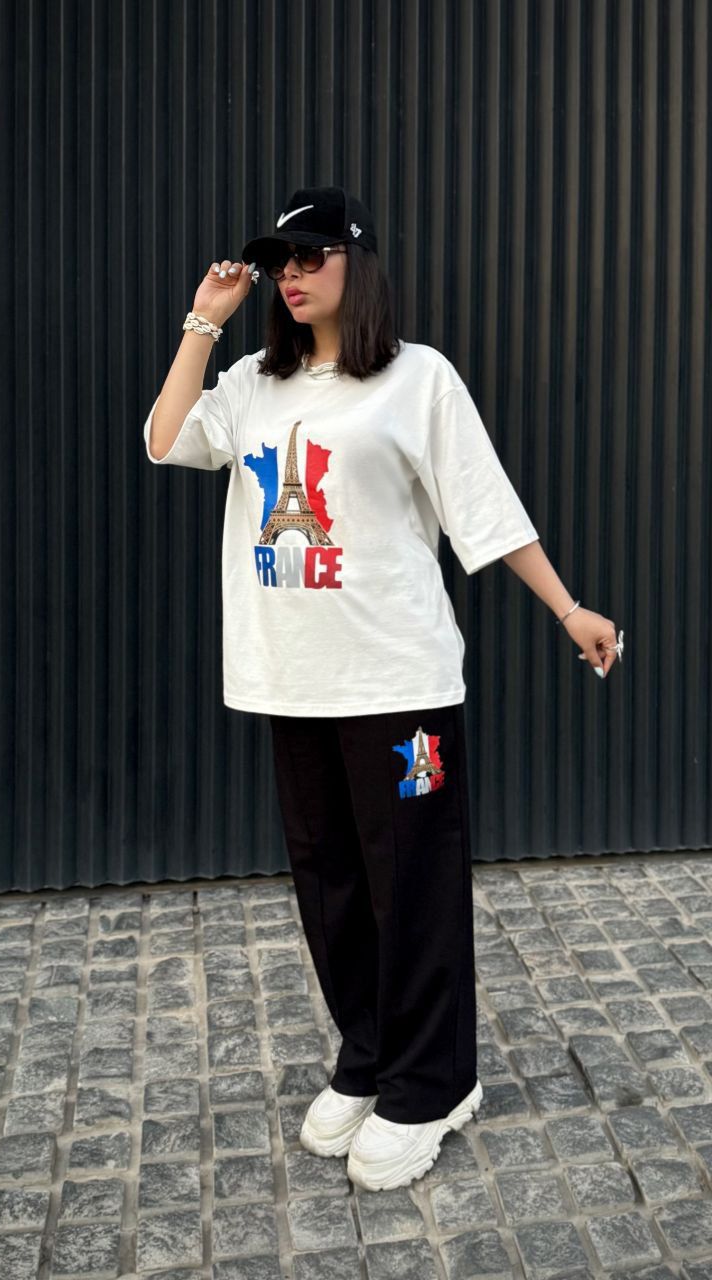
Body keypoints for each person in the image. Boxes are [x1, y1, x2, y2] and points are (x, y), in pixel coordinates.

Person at [143, 185, 623, 1192]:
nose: (292, 274)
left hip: (397, 679)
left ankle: (434, 1081)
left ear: (357, 264)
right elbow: (164, 438)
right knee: (330, 884)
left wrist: (569, 607)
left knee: (413, 886)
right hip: (290, 677)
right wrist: (204, 320)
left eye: (313, 255)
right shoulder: (253, 383)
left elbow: (485, 506)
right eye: (282, 260)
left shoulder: (418, 377)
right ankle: (367, 1053)